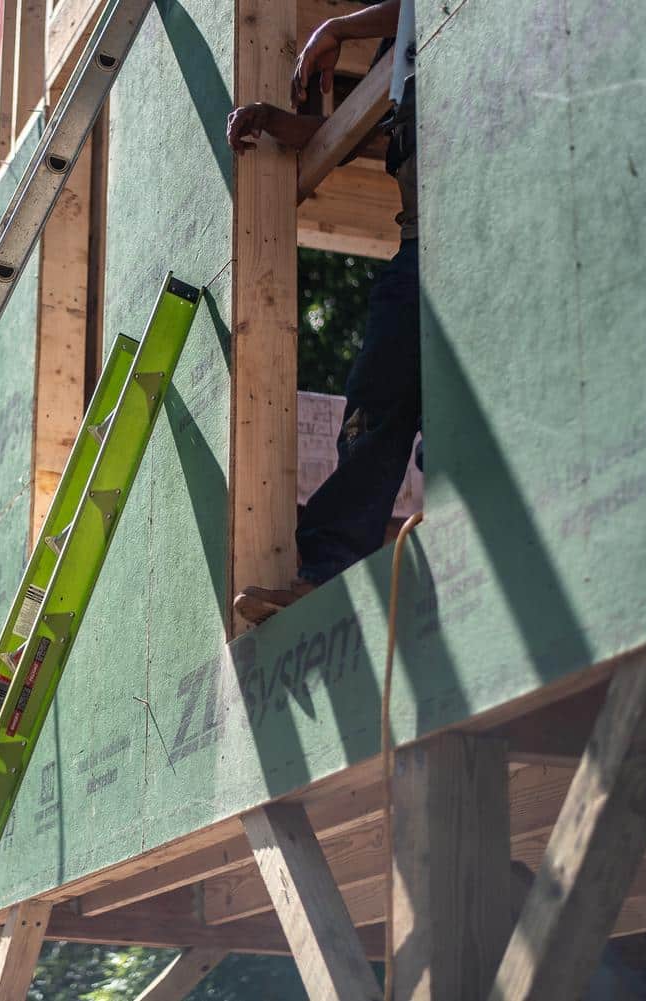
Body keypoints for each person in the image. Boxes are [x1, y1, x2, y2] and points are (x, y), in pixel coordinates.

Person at [226, 0, 420, 625]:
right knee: (372, 408)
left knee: (457, 425)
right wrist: (286, 126)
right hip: (417, 247)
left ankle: (465, 559)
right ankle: (326, 575)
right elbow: (368, 134)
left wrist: (340, 26)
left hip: (481, 229)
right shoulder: (408, 53)